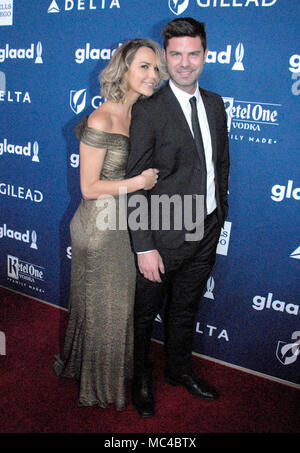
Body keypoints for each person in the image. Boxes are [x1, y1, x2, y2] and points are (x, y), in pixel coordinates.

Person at [53, 38, 167, 411]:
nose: (153, 74)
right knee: (107, 306)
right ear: (125, 70)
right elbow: (88, 188)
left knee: (111, 306)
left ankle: (89, 368)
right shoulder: (102, 117)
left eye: (155, 67)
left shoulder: (140, 113)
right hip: (100, 228)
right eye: (144, 67)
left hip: (125, 225)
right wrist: (137, 183)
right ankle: (100, 387)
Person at [126, 18, 230, 417]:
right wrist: (145, 245)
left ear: (205, 55)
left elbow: (220, 163)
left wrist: (219, 213)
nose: (184, 63)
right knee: (142, 317)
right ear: (165, 57)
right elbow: (134, 181)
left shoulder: (216, 103)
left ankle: (179, 370)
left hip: (205, 230)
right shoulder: (148, 110)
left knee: (186, 308)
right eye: (176, 54)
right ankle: (141, 377)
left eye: (193, 53)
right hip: (162, 236)